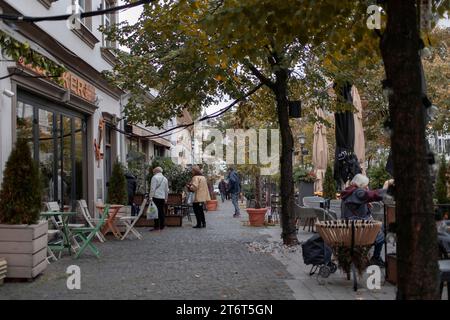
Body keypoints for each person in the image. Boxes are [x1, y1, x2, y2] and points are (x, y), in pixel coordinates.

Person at [340, 174, 394, 267]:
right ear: (360, 185)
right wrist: (387, 189)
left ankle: (366, 255)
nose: (367, 187)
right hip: (358, 230)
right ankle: (375, 258)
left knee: (380, 230)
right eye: (366, 185)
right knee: (381, 235)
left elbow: (357, 204)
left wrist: (365, 203)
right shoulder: (357, 192)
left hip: (350, 228)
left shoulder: (349, 192)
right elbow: (371, 195)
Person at [149, 166, 169, 231]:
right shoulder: (165, 179)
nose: (153, 173)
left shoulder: (154, 178)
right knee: (161, 211)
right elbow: (167, 190)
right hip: (162, 197)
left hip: (155, 197)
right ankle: (162, 226)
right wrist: (166, 198)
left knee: (155, 211)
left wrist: (150, 197)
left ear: (156, 171)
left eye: (154, 172)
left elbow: (152, 188)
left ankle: (156, 226)